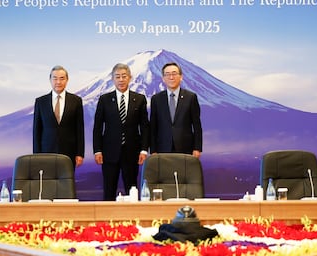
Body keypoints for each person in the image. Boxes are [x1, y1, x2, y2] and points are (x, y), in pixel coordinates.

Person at [93, 63, 149, 200]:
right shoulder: (104, 99)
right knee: (109, 189)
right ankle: (106, 220)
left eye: (124, 76)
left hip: (132, 152)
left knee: (132, 190)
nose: (121, 79)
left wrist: (143, 150)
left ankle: (132, 219)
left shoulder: (140, 99)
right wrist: (98, 150)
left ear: (130, 78)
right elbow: (98, 127)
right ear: (112, 79)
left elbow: (145, 126)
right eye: (117, 76)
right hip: (109, 153)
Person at [33, 65, 84, 169]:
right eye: (55, 78)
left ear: (67, 80)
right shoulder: (41, 102)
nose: (58, 82)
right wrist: (36, 155)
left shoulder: (76, 101)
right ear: (50, 80)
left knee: (67, 184)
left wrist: (80, 153)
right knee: (48, 183)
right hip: (46, 152)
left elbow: (79, 129)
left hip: (69, 152)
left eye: (62, 78)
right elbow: (37, 130)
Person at [150, 62, 202, 157]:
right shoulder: (156, 99)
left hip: (186, 149)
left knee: (184, 172)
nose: (171, 77)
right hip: (162, 149)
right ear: (163, 78)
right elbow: (153, 127)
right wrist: (153, 150)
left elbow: (197, 125)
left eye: (174, 74)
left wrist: (197, 148)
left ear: (181, 77)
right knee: (164, 172)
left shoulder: (191, 97)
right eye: (167, 74)